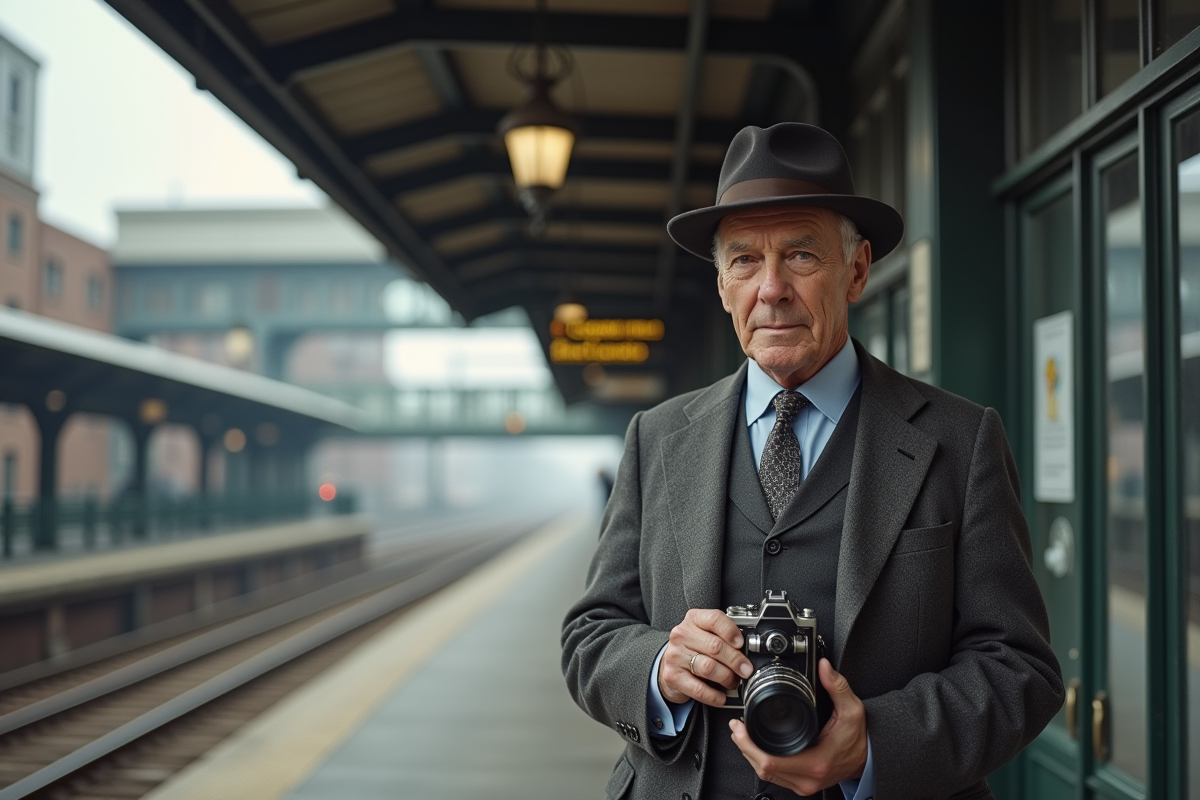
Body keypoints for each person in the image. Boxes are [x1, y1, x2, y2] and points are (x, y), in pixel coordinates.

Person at [561, 123, 1063, 800]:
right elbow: (591, 633)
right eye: (745, 261)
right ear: (722, 286)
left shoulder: (961, 440)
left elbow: (1019, 667)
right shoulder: (656, 437)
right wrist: (658, 668)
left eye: (800, 255)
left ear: (856, 271)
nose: (771, 288)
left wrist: (874, 746)